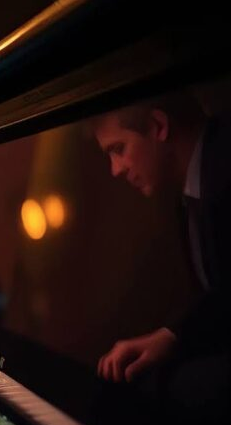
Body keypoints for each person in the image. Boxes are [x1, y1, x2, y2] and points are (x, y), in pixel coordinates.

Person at [90, 93, 230, 386]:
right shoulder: (186, 193)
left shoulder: (223, 164)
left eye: (118, 148)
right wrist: (171, 335)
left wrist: (176, 336)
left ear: (158, 126)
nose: (115, 169)